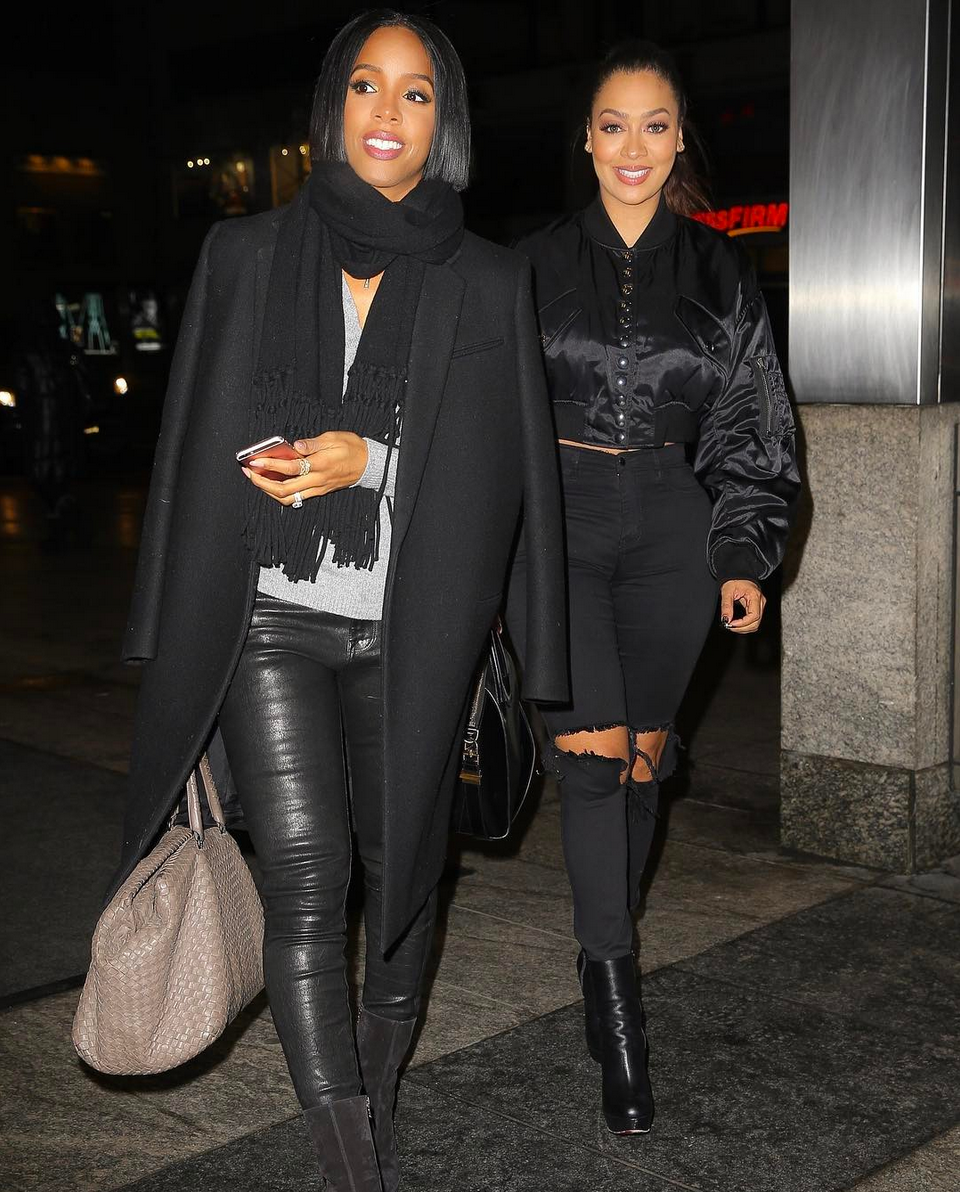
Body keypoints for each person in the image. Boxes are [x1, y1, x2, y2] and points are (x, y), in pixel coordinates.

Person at [111, 11, 565, 1190]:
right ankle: (350, 1155)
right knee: (307, 878)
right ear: (333, 104)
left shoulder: (487, 278)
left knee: (403, 876)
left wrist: (371, 462)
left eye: (416, 92)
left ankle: (376, 1090)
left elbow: (506, 478)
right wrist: (168, 610)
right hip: (270, 613)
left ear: (444, 122)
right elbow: (188, 442)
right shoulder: (246, 254)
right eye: (367, 85)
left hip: (413, 625)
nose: (387, 111)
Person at [508, 40, 800, 1136]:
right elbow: (486, 417)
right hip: (561, 529)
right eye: (614, 124)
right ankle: (622, 1018)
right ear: (585, 139)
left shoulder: (722, 272)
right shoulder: (529, 267)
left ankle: (600, 955)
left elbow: (753, 423)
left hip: (676, 530)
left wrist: (744, 553)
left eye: (656, 125)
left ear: (680, 141)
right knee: (589, 762)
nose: (634, 146)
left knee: (638, 765)